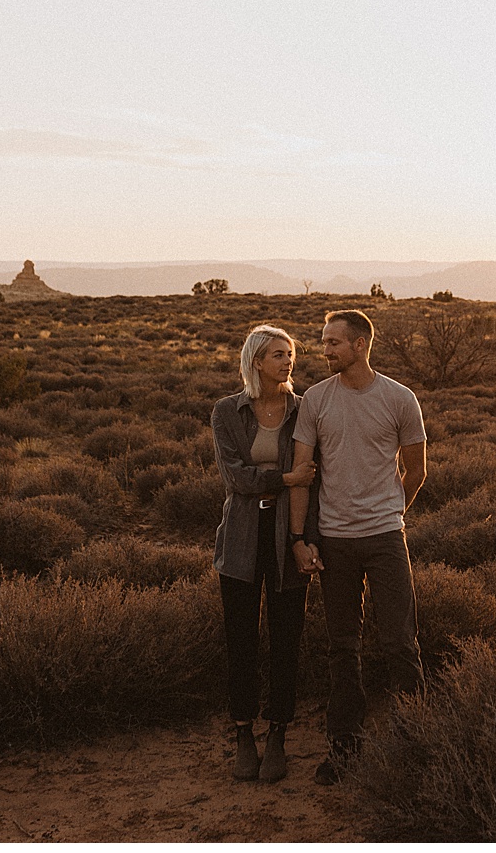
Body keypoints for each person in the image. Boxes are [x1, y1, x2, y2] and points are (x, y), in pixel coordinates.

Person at [288, 308, 427, 786]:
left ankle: (416, 747)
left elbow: (417, 470)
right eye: (323, 341)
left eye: (333, 343)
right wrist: (302, 537)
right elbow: (303, 474)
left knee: (399, 644)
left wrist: (392, 512)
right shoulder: (315, 401)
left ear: (361, 345)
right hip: (335, 539)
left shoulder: (399, 399)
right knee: (343, 647)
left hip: (386, 537)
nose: (323, 350)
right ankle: (344, 749)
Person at [210, 324, 318, 783]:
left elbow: (316, 475)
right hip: (240, 537)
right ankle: (242, 734)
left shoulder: (304, 410)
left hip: (288, 532)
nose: (287, 361)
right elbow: (235, 478)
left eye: (290, 353)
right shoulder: (227, 412)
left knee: (285, 638)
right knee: (241, 640)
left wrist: (304, 534)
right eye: (278, 354)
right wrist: (287, 479)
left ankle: (277, 734)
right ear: (256, 360)